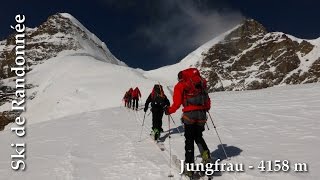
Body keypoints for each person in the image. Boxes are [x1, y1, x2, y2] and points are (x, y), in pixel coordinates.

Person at [165, 68, 211, 178]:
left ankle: (189, 168)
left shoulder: (181, 85)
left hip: (189, 115)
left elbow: (177, 103)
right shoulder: (201, 82)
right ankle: (206, 155)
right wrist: (204, 109)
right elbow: (207, 101)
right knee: (198, 136)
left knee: (189, 140)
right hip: (202, 114)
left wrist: (168, 111)